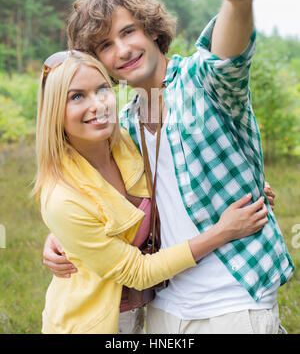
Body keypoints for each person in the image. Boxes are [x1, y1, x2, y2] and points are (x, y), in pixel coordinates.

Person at [43, 0, 294, 334]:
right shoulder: (121, 125)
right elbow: (94, 192)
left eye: (129, 32)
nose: (123, 50)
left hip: (234, 300)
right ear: (97, 61)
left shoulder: (203, 83)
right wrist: (61, 236)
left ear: (153, 31)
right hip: (164, 305)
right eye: (106, 45)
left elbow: (226, 56)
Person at [35, 50, 268, 334]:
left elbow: (174, 177)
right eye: (77, 97)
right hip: (90, 323)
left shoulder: (128, 144)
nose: (97, 105)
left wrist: (241, 185)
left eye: (102, 90)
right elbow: (138, 272)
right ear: (54, 112)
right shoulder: (62, 197)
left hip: (141, 313)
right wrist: (223, 232)